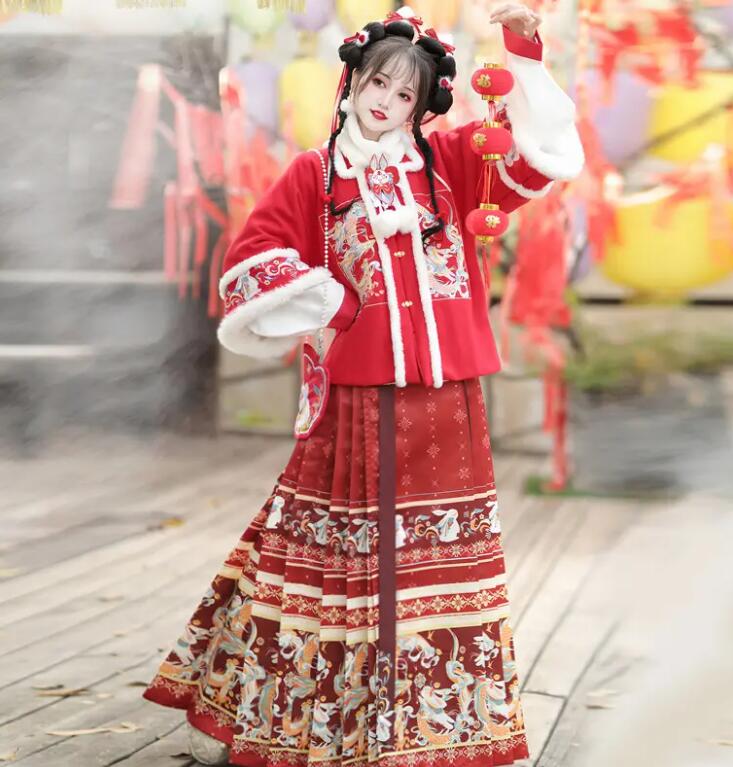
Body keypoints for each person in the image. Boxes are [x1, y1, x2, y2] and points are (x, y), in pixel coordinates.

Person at [142, 4, 583, 766]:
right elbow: (250, 261)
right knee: (347, 558)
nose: (386, 101)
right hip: (360, 396)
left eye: (405, 94)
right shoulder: (314, 175)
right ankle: (320, 721)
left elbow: (542, 158)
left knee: (440, 558)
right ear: (352, 82)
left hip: (448, 396)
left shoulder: (449, 163)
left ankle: (433, 728)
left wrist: (521, 49)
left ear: (422, 106)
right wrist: (337, 303)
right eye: (378, 82)